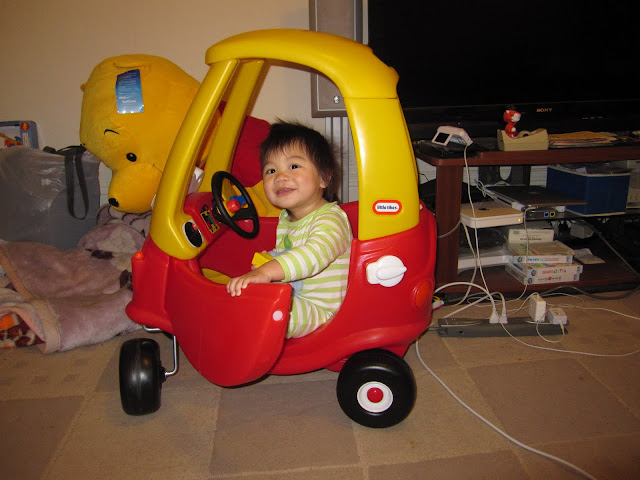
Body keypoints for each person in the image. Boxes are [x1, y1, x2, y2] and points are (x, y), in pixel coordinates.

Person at [226, 121, 352, 338]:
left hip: (322, 311)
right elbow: (290, 253)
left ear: (324, 177)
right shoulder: (286, 218)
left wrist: (268, 271)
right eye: (271, 170)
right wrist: (271, 258)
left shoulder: (332, 219)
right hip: (296, 296)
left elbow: (312, 255)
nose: (280, 177)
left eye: (293, 166)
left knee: (260, 313)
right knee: (246, 297)